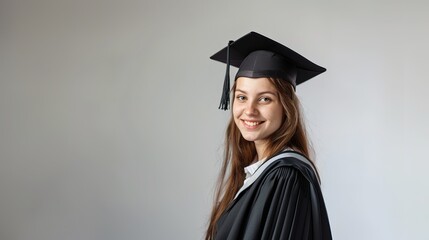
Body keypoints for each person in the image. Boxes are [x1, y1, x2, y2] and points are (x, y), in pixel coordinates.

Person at [205, 32, 332, 240]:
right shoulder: (257, 172)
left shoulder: (285, 177)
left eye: (264, 99)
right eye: (242, 97)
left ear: (286, 107)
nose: (249, 110)